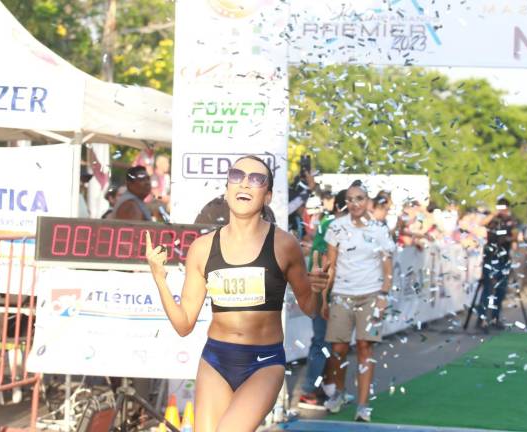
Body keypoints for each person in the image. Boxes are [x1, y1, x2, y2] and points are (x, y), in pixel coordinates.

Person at [144, 155, 328, 431]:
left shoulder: (283, 244)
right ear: (227, 188)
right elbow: (183, 325)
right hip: (216, 359)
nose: (244, 183)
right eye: (237, 176)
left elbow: (310, 308)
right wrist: (159, 279)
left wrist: (319, 290)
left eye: (256, 179)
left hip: (264, 362)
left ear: (266, 196)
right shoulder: (203, 248)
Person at [322, 180, 395, 422]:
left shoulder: (379, 229)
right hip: (341, 295)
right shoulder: (335, 227)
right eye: (350, 199)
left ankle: (363, 405)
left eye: (359, 199)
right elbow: (330, 265)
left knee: (365, 347)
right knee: (338, 349)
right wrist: (324, 297)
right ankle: (339, 393)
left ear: (368, 202)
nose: (355, 204)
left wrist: (384, 295)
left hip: (371, 295)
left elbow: (388, 267)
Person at [297, 189, 347, 410]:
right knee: (322, 341)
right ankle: (308, 391)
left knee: (329, 342)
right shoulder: (331, 225)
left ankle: (326, 388)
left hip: (330, 289)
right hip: (321, 288)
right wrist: (324, 298)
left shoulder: (336, 225)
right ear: (339, 207)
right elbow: (326, 261)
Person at [477, 198, 518, 331]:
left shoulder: (510, 221)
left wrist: (509, 238)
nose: (502, 210)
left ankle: (495, 318)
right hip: (490, 257)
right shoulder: (492, 219)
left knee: (501, 290)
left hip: (504, 258)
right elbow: (481, 223)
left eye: (504, 208)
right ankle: (482, 318)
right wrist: (494, 214)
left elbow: (516, 235)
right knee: (488, 288)